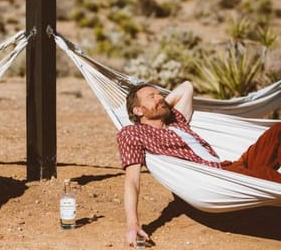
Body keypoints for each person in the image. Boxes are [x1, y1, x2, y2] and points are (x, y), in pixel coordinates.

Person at [117, 81, 281, 247]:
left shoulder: (176, 120)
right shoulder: (132, 133)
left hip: (231, 167)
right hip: (216, 178)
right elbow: (132, 181)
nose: (160, 97)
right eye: (151, 96)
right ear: (137, 110)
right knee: (268, 178)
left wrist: (158, 103)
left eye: (160, 94)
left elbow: (187, 87)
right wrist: (133, 224)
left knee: (277, 132)